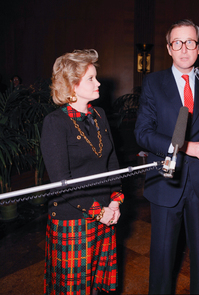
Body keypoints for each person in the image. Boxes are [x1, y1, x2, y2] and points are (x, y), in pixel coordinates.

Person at [134, 19, 199, 294]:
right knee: (163, 261)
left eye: (190, 42)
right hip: (166, 183)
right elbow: (142, 133)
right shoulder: (153, 83)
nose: (184, 49)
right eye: (177, 43)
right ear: (168, 48)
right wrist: (184, 146)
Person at [40, 49, 124, 295]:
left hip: (105, 214)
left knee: (98, 287)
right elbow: (60, 181)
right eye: (91, 78)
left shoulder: (100, 115)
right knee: (73, 289)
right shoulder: (55, 123)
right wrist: (101, 211)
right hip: (73, 219)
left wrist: (116, 201)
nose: (98, 83)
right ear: (72, 85)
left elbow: (112, 162)